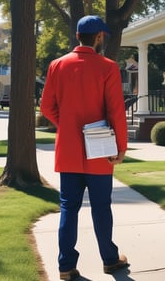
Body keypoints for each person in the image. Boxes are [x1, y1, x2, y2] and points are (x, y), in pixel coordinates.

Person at [40, 15, 128, 281]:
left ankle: (66, 266)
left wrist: (65, 124)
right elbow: (116, 110)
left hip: (68, 149)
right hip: (99, 149)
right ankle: (110, 260)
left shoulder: (57, 65)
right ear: (99, 37)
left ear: (78, 36)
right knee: (102, 206)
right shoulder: (108, 67)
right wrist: (120, 147)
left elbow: (46, 107)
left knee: (68, 207)